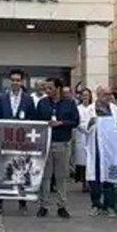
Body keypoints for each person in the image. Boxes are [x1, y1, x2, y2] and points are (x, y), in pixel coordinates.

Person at [0, 69, 36, 215]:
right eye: (13, 80)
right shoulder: (2, 98)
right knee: (2, 171)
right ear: (10, 81)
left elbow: (33, 120)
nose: (15, 82)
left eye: (18, 80)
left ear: (22, 81)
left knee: (21, 171)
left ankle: (22, 203)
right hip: (5, 140)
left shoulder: (28, 99)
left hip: (22, 142)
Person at [35, 78, 79, 218]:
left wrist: (61, 123)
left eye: (50, 88)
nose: (47, 91)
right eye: (46, 88)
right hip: (46, 143)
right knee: (45, 176)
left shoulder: (69, 103)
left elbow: (75, 121)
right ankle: (44, 205)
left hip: (62, 143)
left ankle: (62, 205)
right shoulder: (42, 103)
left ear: (58, 89)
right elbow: (35, 120)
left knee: (61, 176)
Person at [83, 85, 117, 216]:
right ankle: (96, 205)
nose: (109, 96)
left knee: (109, 176)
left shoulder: (115, 109)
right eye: (106, 94)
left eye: (110, 94)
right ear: (98, 95)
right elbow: (82, 126)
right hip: (96, 147)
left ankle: (109, 205)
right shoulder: (90, 110)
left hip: (110, 148)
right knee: (95, 178)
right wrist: (92, 123)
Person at [74, 88, 92, 192]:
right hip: (81, 135)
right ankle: (84, 183)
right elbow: (77, 121)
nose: (85, 97)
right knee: (82, 162)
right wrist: (84, 129)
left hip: (90, 136)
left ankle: (90, 182)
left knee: (90, 160)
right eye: (83, 95)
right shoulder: (78, 108)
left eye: (87, 95)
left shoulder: (93, 107)